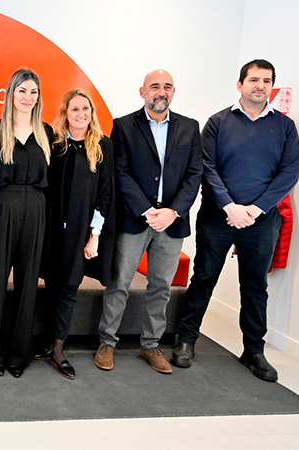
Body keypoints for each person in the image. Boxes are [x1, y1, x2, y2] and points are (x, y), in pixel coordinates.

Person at [172, 59, 299, 382]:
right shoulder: (218, 123)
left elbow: (289, 173)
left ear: (272, 86)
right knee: (204, 278)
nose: (261, 85)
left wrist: (256, 209)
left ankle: (254, 351)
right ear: (240, 84)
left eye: (267, 81)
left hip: (262, 220)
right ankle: (186, 340)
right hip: (218, 216)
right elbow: (207, 167)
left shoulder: (284, 127)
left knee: (255, 287)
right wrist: (230, 206)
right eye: (254, 79)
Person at [94, 69, 203, 374]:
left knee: (161, 287)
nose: (161, 92)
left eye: (167, 87)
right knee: (119, 283)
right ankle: (107, 342)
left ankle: (150, 345)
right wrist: (146, 210)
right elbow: (120, 172)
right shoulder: (124, 126)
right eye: (155, 86)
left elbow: (195, 174)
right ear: (142, 91)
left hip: (172, 222)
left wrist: (172, 211)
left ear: (174, 91)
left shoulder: (190, 128)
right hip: (134, 219)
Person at [0, 69, 52, 378]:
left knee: (28, 283)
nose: (27, 97)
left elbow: (54, 183)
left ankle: (20, 354)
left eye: (33, 92)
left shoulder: (47, 132)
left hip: (36, 208)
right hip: (2, 207)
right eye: (22, 91)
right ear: (11, 94)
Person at [38, 88, 115, 380]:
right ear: (65, 114)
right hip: (52, 230)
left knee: (69, 288)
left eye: (86, 109)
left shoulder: (102, 147)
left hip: (82, 234)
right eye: (75, 110)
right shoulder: (55, 145)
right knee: (53, 285)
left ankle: (58, 350)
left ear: (92, 113)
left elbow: (105, 194)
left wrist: (94, 235)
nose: (81, 114)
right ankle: (47, 343)